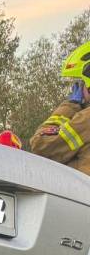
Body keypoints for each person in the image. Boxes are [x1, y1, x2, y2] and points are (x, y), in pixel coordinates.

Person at [30, 41, 90, 171]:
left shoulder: (86, 119)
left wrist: (71, 105)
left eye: (80, 83)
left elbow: (41, 146)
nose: (77, 87)